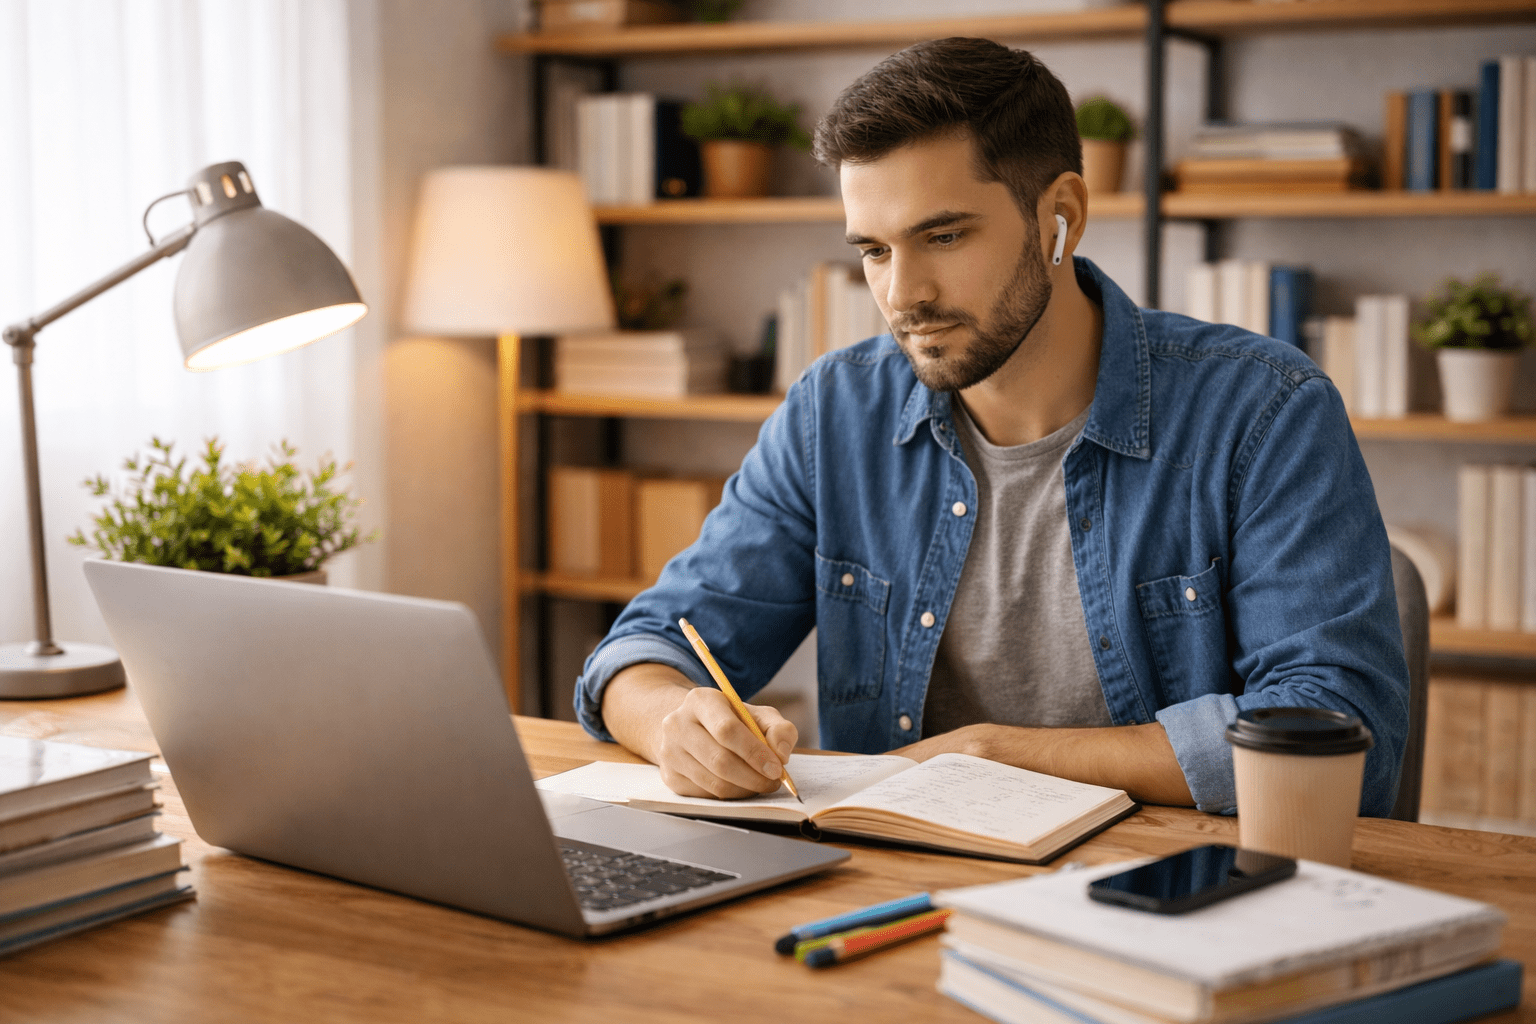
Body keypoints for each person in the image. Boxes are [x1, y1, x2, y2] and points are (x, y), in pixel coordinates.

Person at [572, 37, 1409, 816]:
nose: (903, 295)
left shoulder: (1263, 409)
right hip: (890, 897)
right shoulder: (835, 412)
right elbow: (647, 646)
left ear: (1063, 217)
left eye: (942, 235)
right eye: (874, 250)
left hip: (1164, 899)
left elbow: (1339, 733)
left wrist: (987, 754)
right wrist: (672, 720)